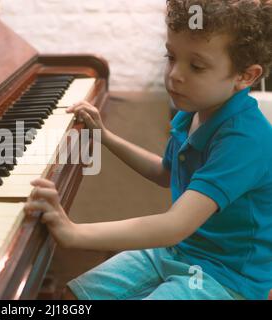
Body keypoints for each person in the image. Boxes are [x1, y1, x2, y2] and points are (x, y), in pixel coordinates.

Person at [23, 0, 272, 300]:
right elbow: (165, 172)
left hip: (224, 276)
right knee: (75, 298)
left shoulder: (245, 140)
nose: (174, 75)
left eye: (196, 66)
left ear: (246, 76)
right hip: (177, 249)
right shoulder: (193, 111)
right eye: (171, 57)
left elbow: (175, 225)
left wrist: (74, 233)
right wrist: (105, 137)